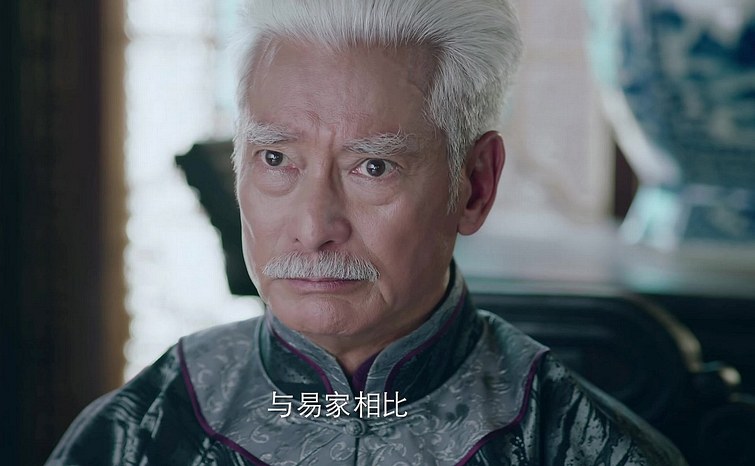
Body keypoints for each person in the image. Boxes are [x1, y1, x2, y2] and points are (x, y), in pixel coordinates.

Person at [48, 0, 688, 464]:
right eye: (276, 159)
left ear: (474, 186)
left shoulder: (571, 441)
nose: (313, 228)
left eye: (373, 167)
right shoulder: (146, 428)